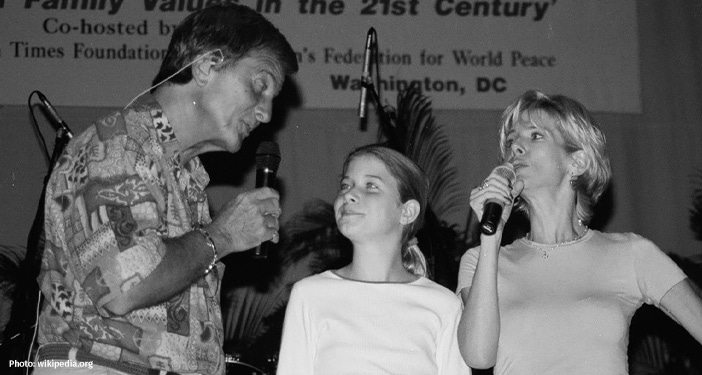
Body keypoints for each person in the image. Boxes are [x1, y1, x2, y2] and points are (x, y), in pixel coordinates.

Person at [34, 4, 298, 374]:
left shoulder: (183, 173)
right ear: (207, 66)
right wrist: (220, 236)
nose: (266, 114)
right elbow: (125, 288)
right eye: (260, 85)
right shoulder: (116, 148)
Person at [457, 90, 702, 374]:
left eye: (535, 135)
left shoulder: (631, 254)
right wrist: (490, 240)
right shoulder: (481, 260)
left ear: (578, 162)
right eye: (511, 141)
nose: (516, 148)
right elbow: (479, 357)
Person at [276, 145, 470, 375]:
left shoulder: (443, 305)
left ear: (407, 212)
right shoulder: (310, 295)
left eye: (371, 186)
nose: (348, 194)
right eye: (346, 185)